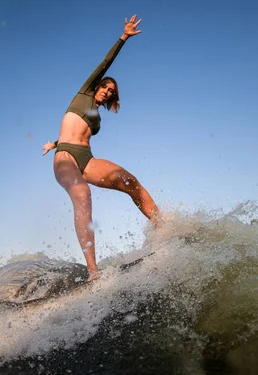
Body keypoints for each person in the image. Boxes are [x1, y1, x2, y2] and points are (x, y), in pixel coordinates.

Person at [42, 15, 161, 282]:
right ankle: (92, 271)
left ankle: (164, 229)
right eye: (106, 86)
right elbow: (105, 63)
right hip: (65, 158)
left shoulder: (97, 115)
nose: (107, 91)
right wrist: (124, 38)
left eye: (112, 91)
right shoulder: (84, 93)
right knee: (82, 194)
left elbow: (78, 131)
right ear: (97, 86)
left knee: (128, 180)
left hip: (86, 159)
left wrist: (54, 140)